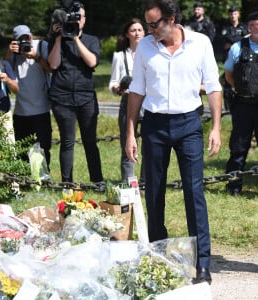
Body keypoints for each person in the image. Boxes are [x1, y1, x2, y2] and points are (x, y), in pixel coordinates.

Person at [125, 0, 222, 284]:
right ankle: (158, 254)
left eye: (155, 24)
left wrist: (216, 127)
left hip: (190, 123)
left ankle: (202, 263)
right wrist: (131, 132)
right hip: (154, 124)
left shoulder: (200, 43)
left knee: (194, 193)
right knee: (154, 193)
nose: (149, 30)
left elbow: (214, 86)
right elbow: (137, 90)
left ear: (171, 19)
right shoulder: (144, 47)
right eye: (147, 25)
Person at [47, 2, 104, 184]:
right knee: (67, 141)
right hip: (62, 98)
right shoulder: (57, 39)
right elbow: (53, 65)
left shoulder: (91, 40)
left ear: (84, 20)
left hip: (86, 97)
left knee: (90, 141)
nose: (76, 20)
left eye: (79, 17)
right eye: (73, 17)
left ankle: (97, 181)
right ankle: (67, 183)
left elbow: (92, 62)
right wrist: (58, 38)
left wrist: (76, 39)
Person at [4, 25, 52, 167]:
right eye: (21, 40)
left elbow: (51, 68)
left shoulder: (41, 46)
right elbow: (4, 69)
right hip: (21, 110)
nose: (25, 42)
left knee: (44, 147)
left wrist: (36, 57)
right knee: (21, 149)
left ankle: (43, 177)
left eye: (27, 38)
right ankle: (24, 178)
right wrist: (9, 53)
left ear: (31, 36)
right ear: (15, 41)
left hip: (41, 108)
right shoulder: (13, 55)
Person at [224, 10, 258, 196]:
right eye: (252, 25)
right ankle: (234, 186)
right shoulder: (238, 47)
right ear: (248, 27)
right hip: (243, 104)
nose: (256, 28)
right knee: (238, 147)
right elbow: (228, 74)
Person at [109, 18, 145, 183]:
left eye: (140, 29)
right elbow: (113, 82)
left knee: (150, 146)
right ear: (127, 34)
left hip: (148, 103)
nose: (137, 33)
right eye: (133, 30)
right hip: (128, 102)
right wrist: (118, 88)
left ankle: (146, 182)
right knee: (127, 143)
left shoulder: (150, 53)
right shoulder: (119, 56)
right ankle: (128, 182)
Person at [221, 5, 249, 111]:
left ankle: (243, 107)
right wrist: (242, 39)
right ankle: (228, 109)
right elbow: (226, 38)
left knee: (243, 83)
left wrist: (233, 42)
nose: (233, 16)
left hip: (241, 60)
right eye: (231, 14)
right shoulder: (225, 27)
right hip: (228, 59)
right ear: (229, 15)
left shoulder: (244, 26)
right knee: (228, 84)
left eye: (235, 13)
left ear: (238, 14)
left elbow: (248, 39)